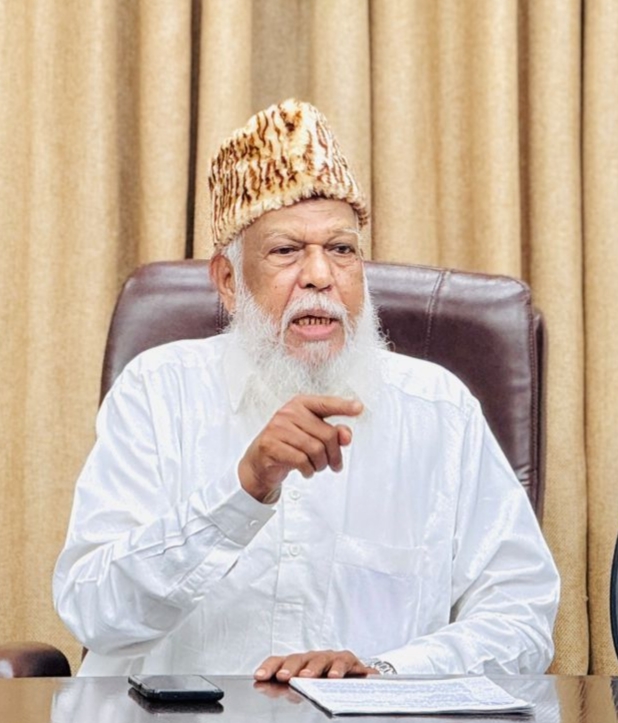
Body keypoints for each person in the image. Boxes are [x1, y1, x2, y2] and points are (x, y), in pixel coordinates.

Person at [53, 98, 560, 680]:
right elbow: (93, 611)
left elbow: (522, 618)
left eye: (341, 250)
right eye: (286, 251)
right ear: (228, 280)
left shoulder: (438, 410)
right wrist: (244, 490)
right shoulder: (157, 392)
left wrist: (384, 673)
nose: (320, 276)